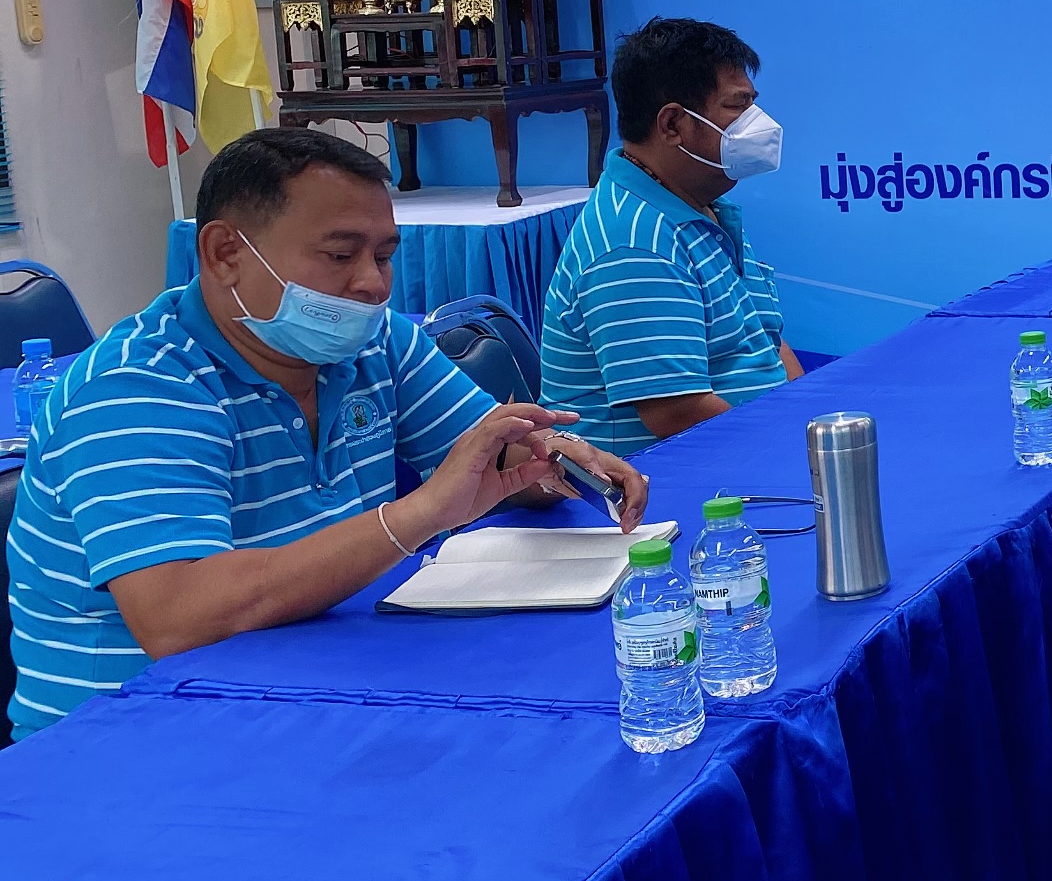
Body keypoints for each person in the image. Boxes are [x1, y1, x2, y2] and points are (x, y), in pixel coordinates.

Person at [4, 128, 647, 738]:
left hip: (309, 687)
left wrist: (550, 461)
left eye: (385, 256)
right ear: (225, 253)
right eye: (341, 255)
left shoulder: (372, 342)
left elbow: (493, 457)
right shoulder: (136, 389)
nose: (372, 283)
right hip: (131, 739)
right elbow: (180, 618)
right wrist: (418, 514)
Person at [542, 17, 800, 458]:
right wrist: (789, 451)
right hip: (668, 480)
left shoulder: (700, 206)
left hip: (746, 452)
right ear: (673, 124)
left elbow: (767, 341)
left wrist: (808, 420)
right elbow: (678, 413)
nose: (757, 123)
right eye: (737, 106)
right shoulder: (634, 243)